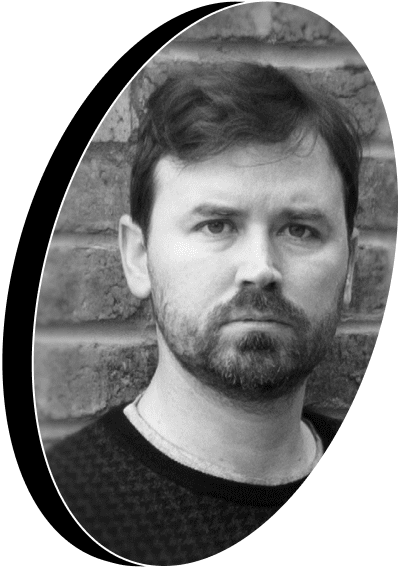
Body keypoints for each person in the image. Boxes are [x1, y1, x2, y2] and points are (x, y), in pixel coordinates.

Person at [47, 63, 361, 565]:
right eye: (217, 225)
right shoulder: (60, 508)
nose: (260, 268)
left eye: (300, 230)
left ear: (350, 267)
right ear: (138, 257)